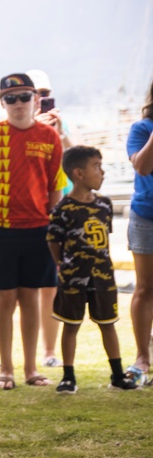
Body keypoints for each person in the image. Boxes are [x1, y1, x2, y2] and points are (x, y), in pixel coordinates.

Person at [0, 73, 66, 390]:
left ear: (36, 100)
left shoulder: (50, 136)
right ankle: (5, 369)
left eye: (24, 97)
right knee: (4, 298)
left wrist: (52, 222)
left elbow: (56, 187)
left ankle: (31, 369)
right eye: (11, 98)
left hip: (38, 228)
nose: (18, 103)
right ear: (2, 102)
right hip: (0, 229)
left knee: (32, 298)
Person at [46, 146, 137, 393]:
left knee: (108, 323)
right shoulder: (62, 210)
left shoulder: (105, 205)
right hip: (73, 278)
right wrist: (64, 265)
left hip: (103, 277)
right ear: (78, 173)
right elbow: (53, 242)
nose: (102, 172)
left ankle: (118, 375)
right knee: (70, 324)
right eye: (96, 167)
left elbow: (103, 239)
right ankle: (68, 377)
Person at [124, 79, 153, 384]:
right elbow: (142, 166)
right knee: (145, 289)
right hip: (146, 215)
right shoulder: (141, 129)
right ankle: (142, 357)